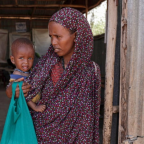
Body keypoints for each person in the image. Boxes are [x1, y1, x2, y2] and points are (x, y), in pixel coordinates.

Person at [6, 7, 101, 143]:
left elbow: (90, 117)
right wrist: (12, 90)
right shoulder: (46, 64)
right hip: (41, 136)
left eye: (58, 37)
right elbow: (22, 90)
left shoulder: (91, 71)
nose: (53, 42)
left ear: (75, 35)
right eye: (51, 37)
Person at [9, 38, 46, 112]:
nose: (26, 62)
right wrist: (35, 107)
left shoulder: (31, 71)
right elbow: (23, 95)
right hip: (25, 108)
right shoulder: (17, 75)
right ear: (13, 59)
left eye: (30, 58)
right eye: (21, 58)